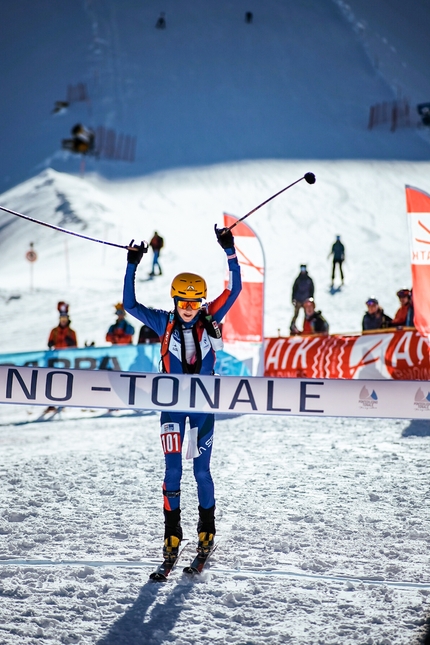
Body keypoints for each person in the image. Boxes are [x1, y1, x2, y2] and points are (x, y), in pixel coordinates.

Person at [123, 226, 242, 562]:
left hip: (203, 407)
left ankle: (207, 529)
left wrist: (229, 250)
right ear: (175, 300)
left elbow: (235, 291)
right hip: (172, 408)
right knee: (172, 471)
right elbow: (130, 304)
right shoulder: (164, 322)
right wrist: (133, 263)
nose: (190, 307)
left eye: (195, 302)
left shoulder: (209, 317)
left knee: (201, 472)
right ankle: (172, 533)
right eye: (184, 301)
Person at [290, 264, 314, 334]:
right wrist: (293, 298)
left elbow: (312, 290)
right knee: (296, 314)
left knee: (307, 315)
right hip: (298, 300)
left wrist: (311, 299)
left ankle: (306, 328)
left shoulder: (308, 279)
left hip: (306, 300)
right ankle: (292, 326)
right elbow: (294, 289)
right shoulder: (298, 279)